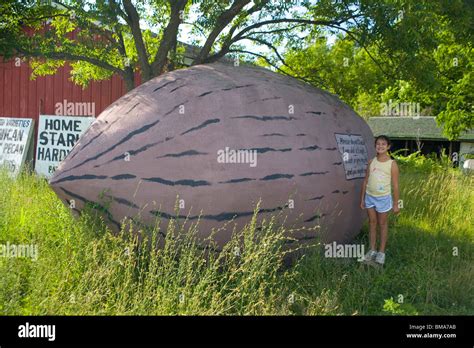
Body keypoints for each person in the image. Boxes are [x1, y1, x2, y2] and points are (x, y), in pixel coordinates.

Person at [359, 135, 400, 265]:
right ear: (375, 146)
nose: (380, 146)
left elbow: (395, 185)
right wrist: (362, 199)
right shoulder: (371, 162)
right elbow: (365, 181)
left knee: (382, 224)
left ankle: (381, 252)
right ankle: (372, 250)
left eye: (383, 144)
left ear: (388, 146)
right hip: (370, 197)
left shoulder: (392, 164)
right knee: (372, 223)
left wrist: (396, 204)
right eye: (378, 144)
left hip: (383, 198)